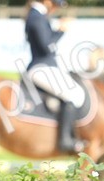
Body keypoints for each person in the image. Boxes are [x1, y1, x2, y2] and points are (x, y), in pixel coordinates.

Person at [25, 0, 87, 155]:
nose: (56, 8)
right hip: (41, 67)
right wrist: (60, 30)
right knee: (75, 94)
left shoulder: (39, 16)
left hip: (46, 66)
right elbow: (46, 47)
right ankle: (66, 139)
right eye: (55, 4)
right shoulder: (35, 16)